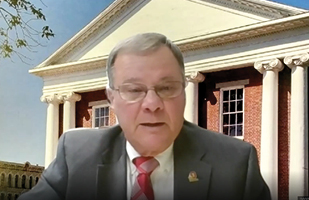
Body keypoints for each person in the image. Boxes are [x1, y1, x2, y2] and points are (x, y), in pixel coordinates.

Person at [19, 33, 270, 200]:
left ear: (184, 93)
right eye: (134, 90)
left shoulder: (235, 164)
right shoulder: (76, 154)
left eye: (167, 88)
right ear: (112, 98)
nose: (152, 104)